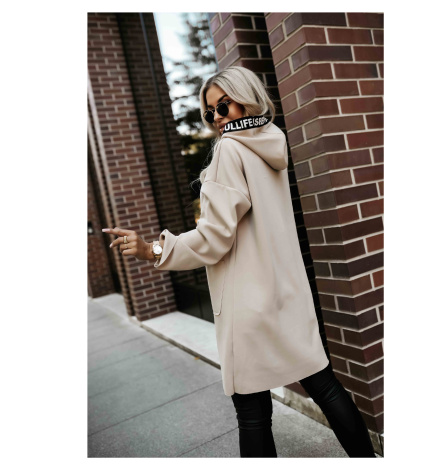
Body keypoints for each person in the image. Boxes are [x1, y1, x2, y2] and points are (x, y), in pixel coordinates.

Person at [102, 66, 376, 458]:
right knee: (325, 387)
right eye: (209, 112)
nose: (217, 118)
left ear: (246, 100)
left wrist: (154, 250)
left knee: (252, 414)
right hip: (286, 294)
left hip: (248, 303)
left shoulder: (230, 149)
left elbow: (214, 238)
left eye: (224, 105)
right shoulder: (269, 142)